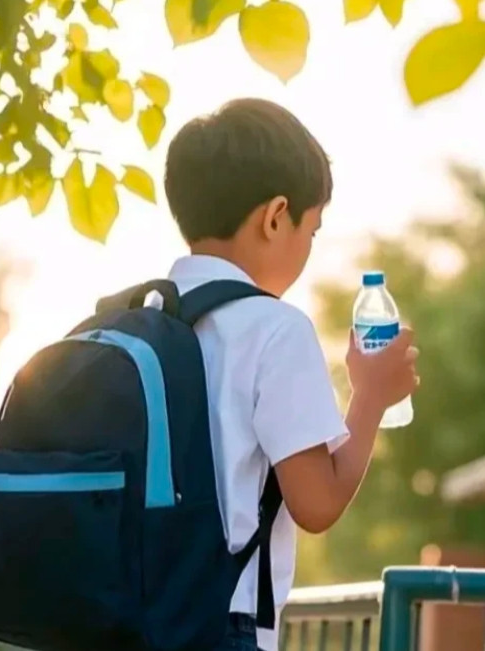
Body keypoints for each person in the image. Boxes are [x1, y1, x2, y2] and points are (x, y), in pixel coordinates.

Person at [162, 98, 420, 651]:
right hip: (216, 626)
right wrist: (370, 397)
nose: (309, 247)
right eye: (314, 229)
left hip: (130, 620)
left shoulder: (144, 317)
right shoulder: (275, 329)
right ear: (276, 215)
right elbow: (317, 504)